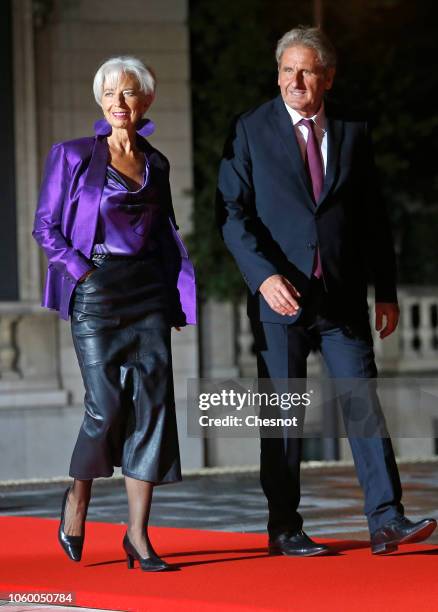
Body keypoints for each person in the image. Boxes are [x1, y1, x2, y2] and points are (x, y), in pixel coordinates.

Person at [217, 26, 436, 556]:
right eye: (287, 70)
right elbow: (232, 217)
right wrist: (264, 277)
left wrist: (385, 289)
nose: (295, 80)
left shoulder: (353, 130)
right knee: (284, 417)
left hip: (340, 297)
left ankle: (386, 520)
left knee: (362, 404)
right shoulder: (249, 129)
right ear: (278, 75)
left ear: (327, 78)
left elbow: (372, 219)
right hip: (279, 296)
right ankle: (284, 526)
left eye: (306, 71)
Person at [33, 56, 196, 571]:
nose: (118, 103)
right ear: (100, 101)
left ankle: (139, 537)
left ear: (145, 101)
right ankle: (78, 498)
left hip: (147, 294)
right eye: (109, 94)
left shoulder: (158, 163)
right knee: (104, 406)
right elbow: (45, 227)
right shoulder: (73, 156)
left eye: (128, 93)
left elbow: (165, 238)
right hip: (96, 291)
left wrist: (171, 299)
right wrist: (81, 271)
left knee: (152, 408)